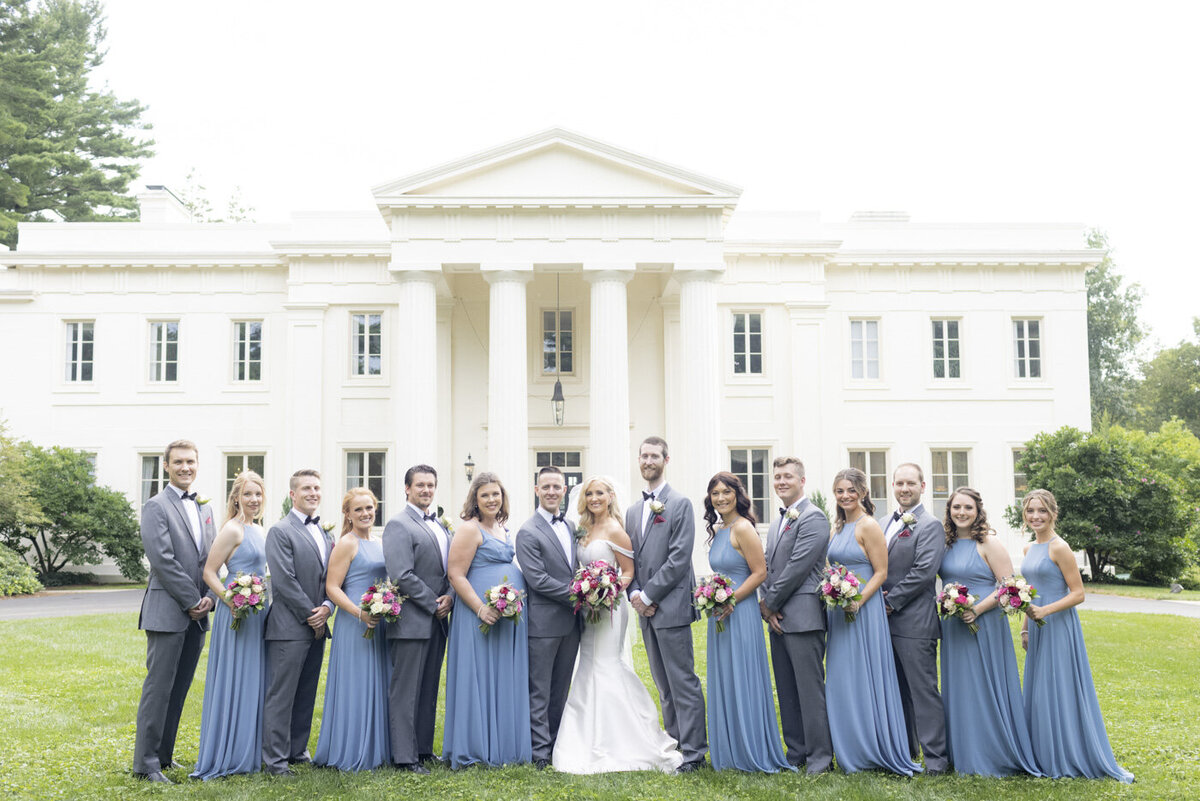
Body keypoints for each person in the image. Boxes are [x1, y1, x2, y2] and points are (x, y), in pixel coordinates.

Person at [552, 475, 683, 774]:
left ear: (610, 496)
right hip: (587, 609)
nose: (594, 498)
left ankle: (629, 737)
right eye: (589, 494)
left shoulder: (616, 530)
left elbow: (627, 572)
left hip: (610, 608)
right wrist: (587, 591)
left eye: (600, 493)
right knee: (587, 665)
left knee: (607, 664)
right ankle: (585, 735)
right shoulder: (582, 529)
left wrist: (605, 592)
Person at [1020, 489, 1134, 782]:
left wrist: (1045, 612)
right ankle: (1042, 752)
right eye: (1031, 511)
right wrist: (1024, 626)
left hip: (1059, 626)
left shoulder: (1060, 548)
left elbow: (1079, 593)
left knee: (1060, 687)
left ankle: (1067, 752)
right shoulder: (1028, 549)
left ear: (1053, 514)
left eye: (1042, 511)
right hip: (1036, 627)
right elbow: (1028, 593)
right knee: (1040, 690)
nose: (1036, 516)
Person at [824, 468, 921, 776]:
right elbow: (830, 567)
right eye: (840, 491)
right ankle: (850, 747)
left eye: (851, 490)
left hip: (864, 611)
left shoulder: (868, 526)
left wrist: (858, 601)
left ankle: (874, 747)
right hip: (840, 611)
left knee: (866, 676)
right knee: (842, 679)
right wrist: (834, 590)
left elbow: (881, 572)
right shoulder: (837, 527)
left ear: (863, 492)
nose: (845, 496)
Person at [938, 487, 1040, 777]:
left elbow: (1008, 586)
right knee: (961, 688)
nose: (961, 512)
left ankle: (995, 752)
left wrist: (978, 610)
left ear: (978, 511)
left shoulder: (989, 544)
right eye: (956, 507)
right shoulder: (946, 544)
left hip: (984, 623)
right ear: (949, 510)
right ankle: (963, 753)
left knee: (986, 685)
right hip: (955, 625)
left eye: (968, 508)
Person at [133, 439, 216, 784]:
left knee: (180, 687)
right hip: (169, 610)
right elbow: (162, 560)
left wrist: (210, 594)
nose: (186, 467)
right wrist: (192, 600)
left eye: (191, 462)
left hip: (198, 612)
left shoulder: (204, 508)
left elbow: (212, 559)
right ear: (166, 466)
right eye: (179, 462)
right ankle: (146, 763)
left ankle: (164, 755)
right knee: (159, 687)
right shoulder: (156, 506)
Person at [625, 436, 707, 772]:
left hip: (670, 608)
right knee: (663, 684)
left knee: (682, 682)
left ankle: (695, 753)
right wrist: (633, 592)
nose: (648, 460)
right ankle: (675, 744)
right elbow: (629, 557)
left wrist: (647, 596)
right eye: (643, 455)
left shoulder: (680, 503)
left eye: (654, 455)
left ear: (666, 459)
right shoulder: (632, 511)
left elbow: (678, 558)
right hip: (645, 610)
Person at [703, 472, 791, 773]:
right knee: (726, 677)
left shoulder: (743, 528)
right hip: (720, 614)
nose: (721, 498)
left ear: (737, 494)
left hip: (740, 613)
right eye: (715, 493)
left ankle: (751, 748)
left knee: (743, 677)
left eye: (726, 492)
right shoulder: (719, 528)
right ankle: (729, 748)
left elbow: (760, 573)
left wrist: (731, 600)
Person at [442, 472, 532, 767]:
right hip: (477, 615)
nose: (492, 500)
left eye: (496, 494)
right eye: (485, 495)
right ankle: (475, 746)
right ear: (475, 500)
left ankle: (504, 744)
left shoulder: (503, 528)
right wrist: (481, 608)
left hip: (507, 615)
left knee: (504, 675)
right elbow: (455, 573)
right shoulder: (469, 529)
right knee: (478, 676)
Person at [190, 470, 268, 780]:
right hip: (235, 612)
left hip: (257, 612)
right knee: (233, 679)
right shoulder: (232, 530)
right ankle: (226, 752)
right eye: (248, 494)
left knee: (253, 680)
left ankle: (247, 751)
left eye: (258, 494)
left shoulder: (259, 530)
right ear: (236, 497)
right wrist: (231, 601)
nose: (253, 499)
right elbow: (210, 572)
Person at [758, 457, 833, 774]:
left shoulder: (813, 518)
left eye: (787, 476)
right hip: (778, 618)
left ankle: (820, 758)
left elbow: (797, 568)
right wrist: (766, 603)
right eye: (777, 477)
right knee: (787, 689)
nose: (781, 481)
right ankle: (796, 752)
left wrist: (769, 604)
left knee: (809, 690)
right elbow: (766, 566)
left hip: (802, 616)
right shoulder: (777, 523)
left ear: (802, 480)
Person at [262, 469, 334, 777]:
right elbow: (284, 581)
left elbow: (333, 578)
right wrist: (311, 613)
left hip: (319, 622)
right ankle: (275, 760)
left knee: (306, 692)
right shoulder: (280, 531)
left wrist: (328, 607)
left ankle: (296, 750)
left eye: (317, 487)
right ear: (293, 494)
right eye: (306, 488)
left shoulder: (326, 534)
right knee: (282, 695)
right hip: (289, 627)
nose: (313, 493)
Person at [382, 464, 454, 773]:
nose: (426, 490)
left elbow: (450, 568)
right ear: (407, 489)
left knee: (428, 688)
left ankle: (423, 749)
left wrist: (449, 595)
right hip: (412, 619)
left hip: (438, 620)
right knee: (406, 691)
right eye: (420, 485)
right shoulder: (399, 524)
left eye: (430, 485)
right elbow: (401, 574)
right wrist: (432, 603)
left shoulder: (441, 526)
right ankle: (404, 756)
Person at [314, 488, 391, 771]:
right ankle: (351, 747)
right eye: (358, 509)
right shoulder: (346, 543)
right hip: (354, 622)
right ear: (347, 514)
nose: (365, 513)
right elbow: (332, 587)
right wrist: (359, 613)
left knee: (379, 682)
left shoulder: (380, 542)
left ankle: (377, 747)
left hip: (379, 621)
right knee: (356, 685)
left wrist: (386, 605)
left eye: (369, 508)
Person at [880, 463, 949, 774]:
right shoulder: (883, 522)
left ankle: (936, 759)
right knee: (896, 692)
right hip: (881, 624)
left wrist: (890, 602)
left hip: (914, 623)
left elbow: (924, 572)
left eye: (910, 483)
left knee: (922, 692)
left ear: (923, 486)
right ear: (892, 486)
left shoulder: (930, 525)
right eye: (899, 483)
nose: (904, 488)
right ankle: (907, 752)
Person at [514, 466, 582, 770]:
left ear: (564, 491)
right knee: (539, 690)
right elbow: (538, 580)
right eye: (547, 487)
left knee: (560, 690)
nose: (552, 492)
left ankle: (555, 745)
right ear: (537, 490)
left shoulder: (570, 526)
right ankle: (539, 752)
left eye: (557, 487)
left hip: (572, 624)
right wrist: (579, 595)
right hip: (543, 624)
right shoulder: (527, 531)